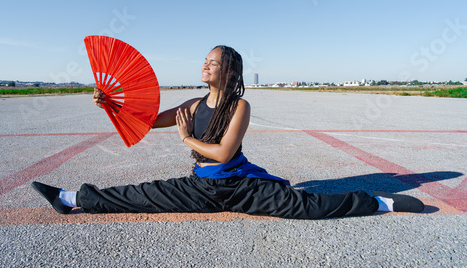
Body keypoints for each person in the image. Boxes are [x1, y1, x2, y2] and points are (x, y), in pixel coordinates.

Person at [32, 45, 424, 218]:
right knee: (141, 195)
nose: (204, 66)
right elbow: (149, 121)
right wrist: (113, 103)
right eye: (204, 60)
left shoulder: (240, 106)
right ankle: (69, 197)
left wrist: (186, 139)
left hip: (239, 185)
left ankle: (379, 203)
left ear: (229, 71)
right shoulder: (192, 105)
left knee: (306, 206)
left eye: (212, 62)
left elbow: (222, 152)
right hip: (201, 186)